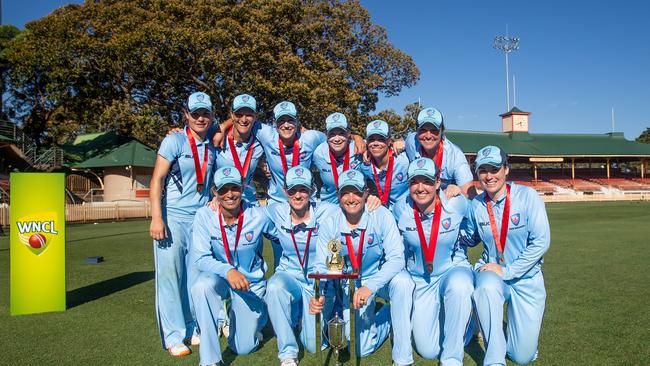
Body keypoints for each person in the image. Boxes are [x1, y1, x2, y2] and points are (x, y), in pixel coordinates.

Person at [309, 169, 414, 366]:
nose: (351, 198)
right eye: (345, 193)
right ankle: (385, 316)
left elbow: (397, 259)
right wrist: (319, 293)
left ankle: (401, 353)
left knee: (403, 281)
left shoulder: (381, 215)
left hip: (378, 278)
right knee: (362, 349)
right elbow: (321, 265)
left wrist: (371, 286)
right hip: (349, 284)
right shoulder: (330, 222)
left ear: (366, 193)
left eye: (356, 192)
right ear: (338, 195)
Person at [465, 145, 551, 365]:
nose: (489, 175)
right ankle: (494, 359)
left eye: (494, 169)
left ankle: (496, 326)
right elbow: (470, 238)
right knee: (485, 287)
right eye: (483, 170)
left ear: (506, 170)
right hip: (492, 273)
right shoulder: (476, 204)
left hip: (526, 279)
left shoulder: (527, 196)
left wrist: (508, 271)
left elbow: (541, 242)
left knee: (522, 356)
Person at [190, 166, 279, 366]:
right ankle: (209, 360)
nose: (230, 194)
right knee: (201, 286)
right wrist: (228, 270)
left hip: (250, 283)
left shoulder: (258, 215)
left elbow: (282, 238)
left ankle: (251, 316)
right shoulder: (204, 215)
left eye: (234, 188)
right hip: (220, 278)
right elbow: (201, 258)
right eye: (223, 189)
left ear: (242, 188)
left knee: (244, 347)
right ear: (215, 192)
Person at [149, 91, 216, 356]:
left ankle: (191, 327)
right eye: (195, 113)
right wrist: (157, 217)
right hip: (173, 218)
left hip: (199, 220)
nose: (200, 118)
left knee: (194, 276)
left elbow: (233, 124)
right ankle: (173, 335)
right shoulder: (174, 140)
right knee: (170, 277)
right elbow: (157, 180)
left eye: (205, 113)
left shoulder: (212, 142)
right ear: (186, 114)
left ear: (211, 115)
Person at [393, 158, 474, 364]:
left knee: (460, 286)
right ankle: (461, 320)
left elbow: (482, 222)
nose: (420, 188)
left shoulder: (456, 203)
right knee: (428, 350)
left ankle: (452, 359)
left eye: (427, 181)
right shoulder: (400, 208)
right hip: (421, 279)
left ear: (438, 182)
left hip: (453, 270)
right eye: (415, 181)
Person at [264, 166, 339, 366]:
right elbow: (243, 211)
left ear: (312, 190)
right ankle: (287, 353)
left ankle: (315, 312)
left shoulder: (329, 212)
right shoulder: (275, 210)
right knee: (274, 287)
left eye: (303, 189)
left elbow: (354, 208)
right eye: (293, 190)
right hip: (290, 276)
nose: (298, 195)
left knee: (314, 345)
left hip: (319, 282)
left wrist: (372, 199)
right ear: (285, 191)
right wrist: (216, 202)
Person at [404, 107, 475, 198]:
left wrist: (458, 191)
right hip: (420, 196)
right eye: (423, 130)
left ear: (442, 131)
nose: (428, 136)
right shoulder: (411, 142)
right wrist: (398, 143)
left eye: (434, 130)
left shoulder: (455, 156)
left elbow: (471, 194)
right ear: (417, 131)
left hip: (445, 200)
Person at [215, 93, 266, 205]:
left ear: (255, 117)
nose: (244, 119)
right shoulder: (217, 137)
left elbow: (285, 131)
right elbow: (194, 134)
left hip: (249, 203)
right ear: (231, 115)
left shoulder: (260, 143)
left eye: (249, 114)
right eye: (239, 114)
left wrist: (302, 129)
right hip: (223, 203)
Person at [359, 119, 410, 212]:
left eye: (381, 139)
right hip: (382, 213)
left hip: (405, 214)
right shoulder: (365, 165)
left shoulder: (404, 161)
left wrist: (406, 143)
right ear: (366, 142)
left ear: (389, 141)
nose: (376, 143)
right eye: (371, 139)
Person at [312, 113, 364, 203]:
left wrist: (397, 142)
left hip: (355, 204)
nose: (337, 139)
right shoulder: (319, 153)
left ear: (348, 133)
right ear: (326, 135)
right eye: (332, 134)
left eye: (341, 133)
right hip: (328, 204)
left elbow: (382, 146)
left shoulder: (360, 148)